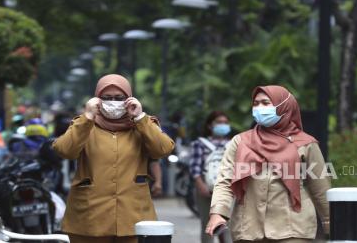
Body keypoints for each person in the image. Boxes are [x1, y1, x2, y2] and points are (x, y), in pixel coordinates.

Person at [52, 74, 175, 243]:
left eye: (119, 98)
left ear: (130, 99)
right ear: (96, 99)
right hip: (90, 217)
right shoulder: (84, 125)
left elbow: (163, 149)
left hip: (133, 215)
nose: (113, 102)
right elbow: (64, 150)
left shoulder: (143, 125)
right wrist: (87, 117)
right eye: (107, 97)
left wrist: (140, 117)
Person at [206, 85, 331, 243]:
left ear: (283, 106)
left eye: (266, 103)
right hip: (248, 229)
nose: (259, 108)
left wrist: (331, 224)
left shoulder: (305, 144)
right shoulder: (240, 142)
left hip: (293, 229)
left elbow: (320, 187)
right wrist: (218, 213)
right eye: (256, 103)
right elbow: (224, 181)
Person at [190, 111, 233, 243]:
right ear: (210, 125)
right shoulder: (200, 143)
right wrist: (201, 187)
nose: (223, 125)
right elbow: (195, 168)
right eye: (219, 123)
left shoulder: (233, 144)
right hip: (205, 190)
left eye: (225, 123)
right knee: (208, 225)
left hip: (227, 191)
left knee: (228, 226)